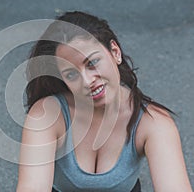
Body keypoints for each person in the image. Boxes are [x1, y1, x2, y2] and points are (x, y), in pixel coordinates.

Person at [16, 11, 192, 192]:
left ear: (115, 52)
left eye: (92, 63)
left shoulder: (153, 122)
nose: (87, 81)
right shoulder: (48, 114)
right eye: (71, 74)